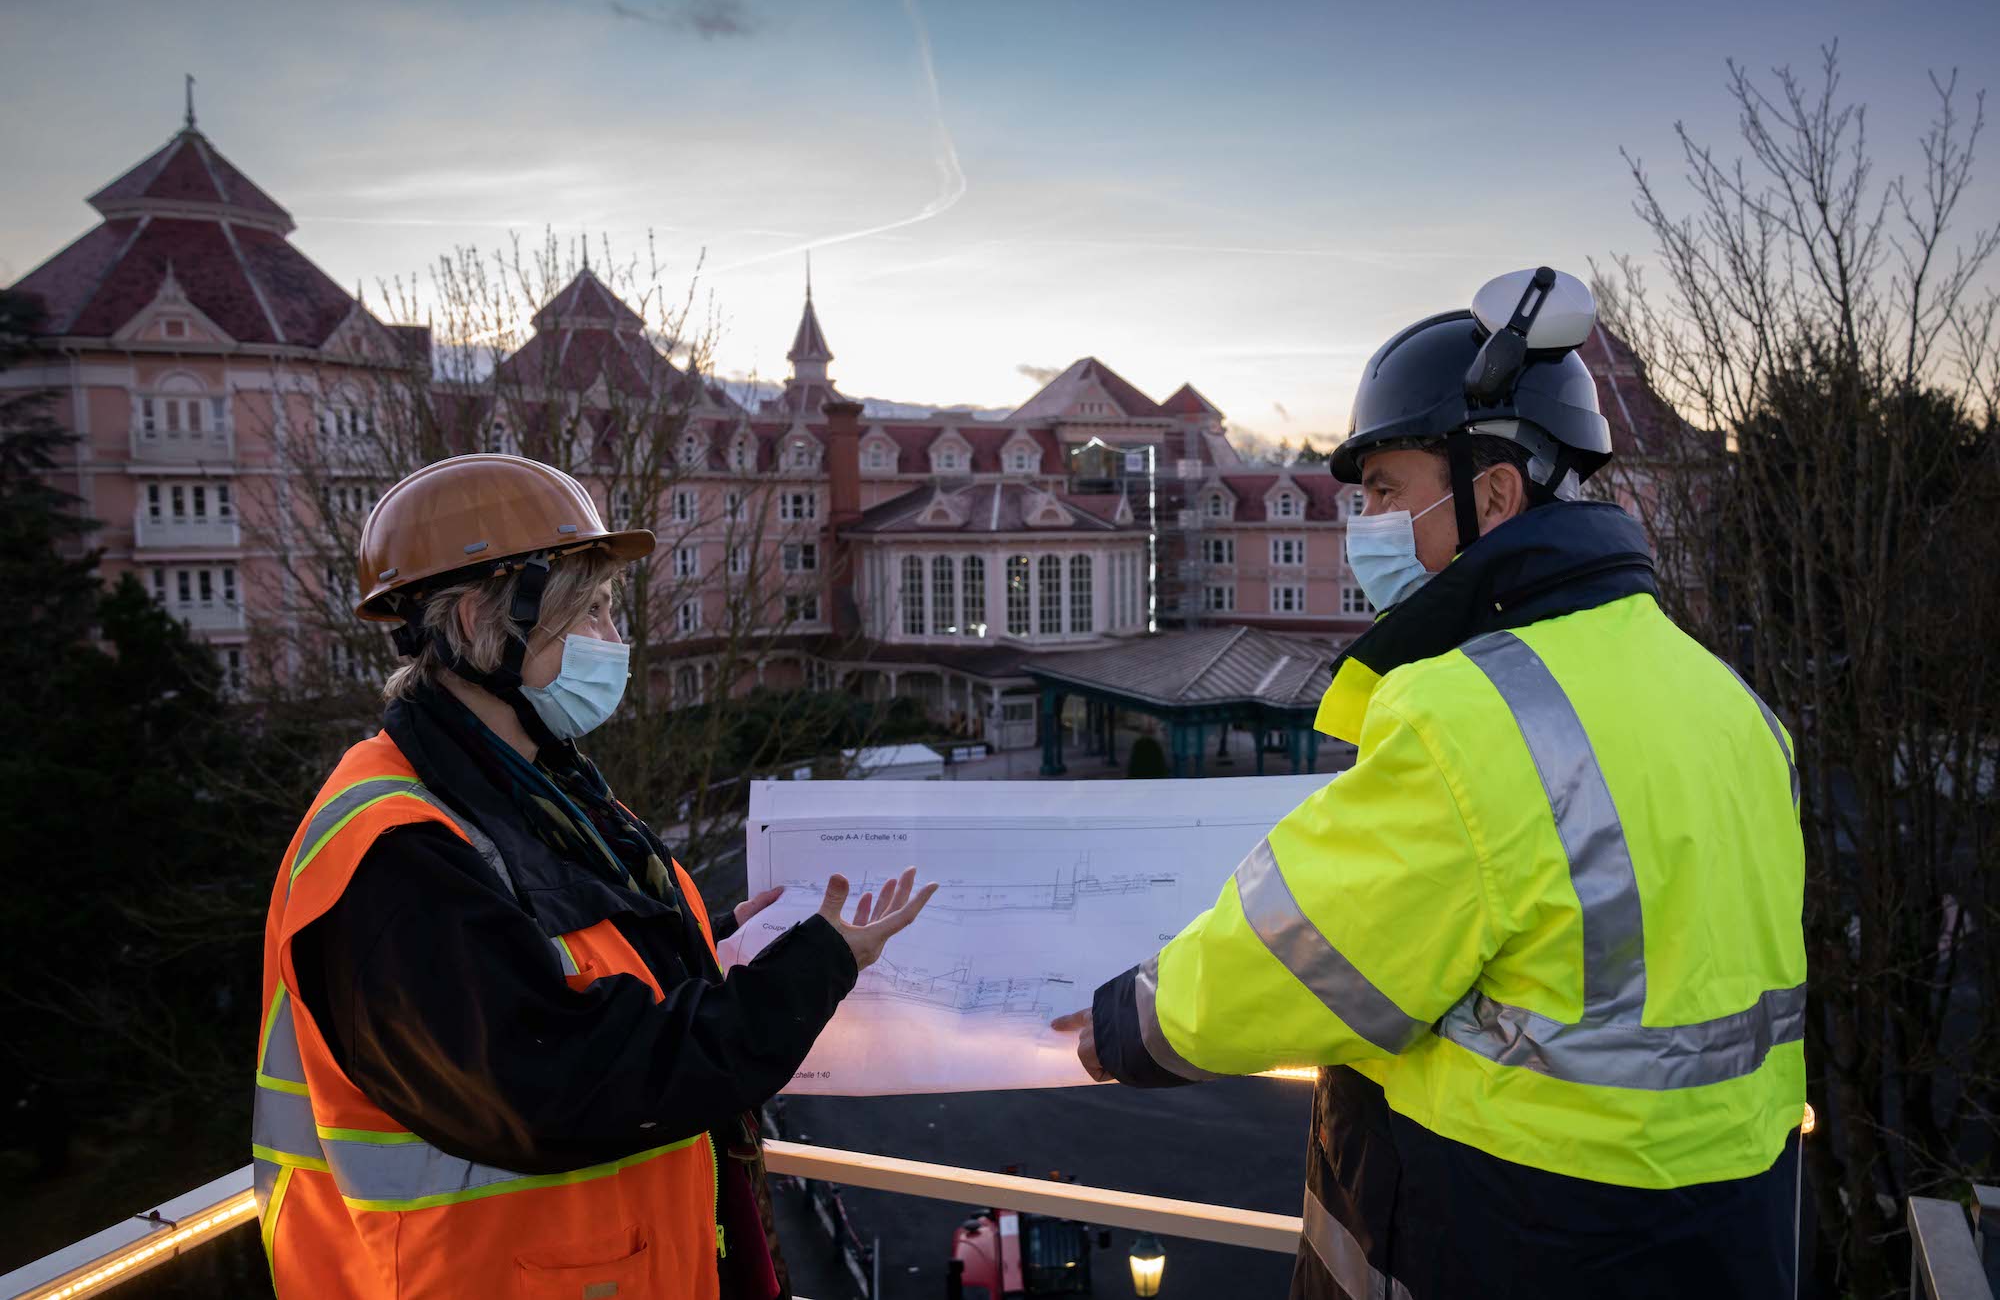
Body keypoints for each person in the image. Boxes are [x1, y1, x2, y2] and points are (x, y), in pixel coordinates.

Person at [1055, 269, 1807, 1298]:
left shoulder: (1472, 711)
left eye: (1382, 491)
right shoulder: (1726, 697)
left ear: (1491, 492)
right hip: (1731, 1229)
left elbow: (1305, 950)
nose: (1359, 522)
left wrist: (1125, 1024)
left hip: (1524, 1229)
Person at [252, 454, 935, 1299]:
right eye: (596, 612)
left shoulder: (528, 781)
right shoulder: (392, 854)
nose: (618, 642)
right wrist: (811, 969)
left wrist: (714, 939)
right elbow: (564, 1073)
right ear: (480, 621)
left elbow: (545, 950)